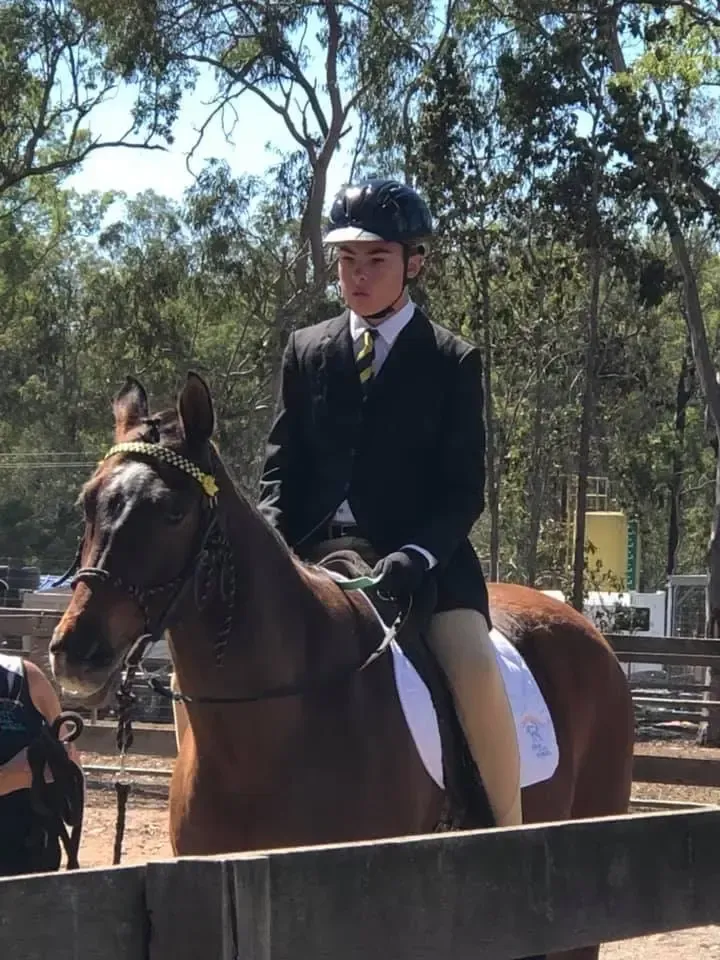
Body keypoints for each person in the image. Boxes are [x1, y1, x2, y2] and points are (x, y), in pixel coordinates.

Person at [257, 177, 522, 830]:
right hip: (313, 559)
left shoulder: (452, 359)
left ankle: (508, 837)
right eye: (347, 260)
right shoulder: (307, 349)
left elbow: (463, 489)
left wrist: (417, 554)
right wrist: (270, 542)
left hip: (419, 567)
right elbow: (280, 469)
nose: (358, 275)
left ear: (415, 262)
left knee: (473, 667)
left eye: (376, 259)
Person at [0, 652, 81, 876]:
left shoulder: (25, 677)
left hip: (31, 846)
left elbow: (67, 752)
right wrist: (11, 776)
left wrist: (58, 765)